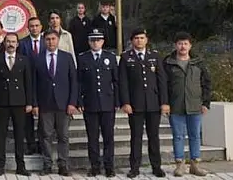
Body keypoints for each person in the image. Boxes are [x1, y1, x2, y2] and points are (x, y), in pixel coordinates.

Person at [119, 28, 168, 178]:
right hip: (135, 104)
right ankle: (134, 168)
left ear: (146, 40)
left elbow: (162, 81)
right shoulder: (126, 58)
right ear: (132, 41)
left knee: (154, 137)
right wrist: (125, 102)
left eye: (142, 38)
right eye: (136, 38)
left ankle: (156, 167)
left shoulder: (154, 56)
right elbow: (123, 83)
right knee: (136, 137)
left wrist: (164, 102)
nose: (139, 40)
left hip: (153, 103)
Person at [163, 32, 211, 177]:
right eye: (179, 43)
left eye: (185, 43)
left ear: (190, 45)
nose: (182, 46)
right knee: (178, 136)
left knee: (195, 135)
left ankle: (195, 165)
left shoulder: (198, 62)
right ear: (175, 45)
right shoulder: (168, 63)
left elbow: (207, 83)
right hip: (175, 105)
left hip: (195, 105)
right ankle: (180, 165)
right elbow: (163, 85)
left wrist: (206, 103)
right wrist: (165, 103)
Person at [33, 29, 78, 176]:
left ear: (58, 40)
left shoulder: (67, 57)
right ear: (44, 41)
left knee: (63, 136)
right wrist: (35, 104)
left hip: (64, 104)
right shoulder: (38, 58)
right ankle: (47, 164)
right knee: (45, 136)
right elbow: (34, 83)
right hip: (45, 104)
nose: (51, 42)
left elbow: (74, 81)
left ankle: (63, 165)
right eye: (48, 39)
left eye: (53, 39)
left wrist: (72, 102)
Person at [0, 32, 32, 176]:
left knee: (20, 134)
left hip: (19, 102)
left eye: (13, 42)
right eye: (8, 41)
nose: (11, 44)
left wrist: (29, 102)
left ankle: (21, 165)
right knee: (1, 134)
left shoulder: (24, 60)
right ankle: (0, 165)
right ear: (4, 43)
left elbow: (28, 83)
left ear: (18, 44)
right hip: (2, 102)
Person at [77, 28, 119, 177]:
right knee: (92, 137)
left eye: (98, 40)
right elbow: (79, 82)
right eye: (92, 40)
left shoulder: (110, 57)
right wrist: (79, 100)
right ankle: (95, 166)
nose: (95, 43)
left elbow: (116, 81)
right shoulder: (83, 58)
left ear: (102, 41)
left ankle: (109, 166)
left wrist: (117, 101)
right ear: (89, 42)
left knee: (108, 137)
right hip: (90, 103)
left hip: (108, 103)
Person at [19, 16, 44, 155]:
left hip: (44, 84)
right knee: (27, 118)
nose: (34, 28)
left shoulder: (47, 42)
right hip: (26, 84)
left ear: (41, 27)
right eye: (32, 26)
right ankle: (30, 144)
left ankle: (41, 144)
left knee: (44, 118)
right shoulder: (22, 43)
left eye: (36, 25)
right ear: (28, 28)